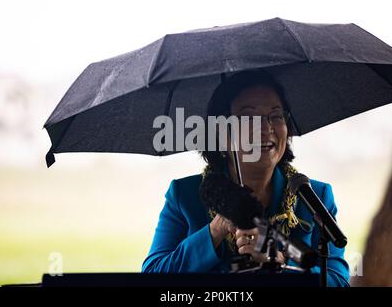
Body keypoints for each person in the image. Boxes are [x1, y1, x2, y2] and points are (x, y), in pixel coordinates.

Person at [142, 70, 350, 287]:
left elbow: (338, 281)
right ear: (222, 133)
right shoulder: (184, 195)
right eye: (249, 117)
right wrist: (216, 231)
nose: (266, 128)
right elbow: (152, 275)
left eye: (276, 116)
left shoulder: (314, 196)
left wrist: (281, 265)